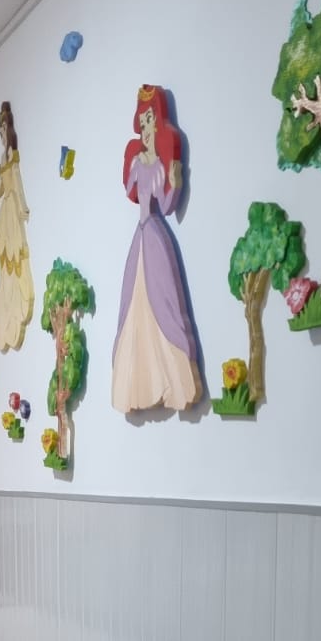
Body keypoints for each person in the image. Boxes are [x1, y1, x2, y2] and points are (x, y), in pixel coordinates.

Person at [111, 85, 201, 413]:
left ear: (157, 121)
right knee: (132, 304)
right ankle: (135, 386)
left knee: (163, 300)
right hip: (141, 235)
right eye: (143, 122)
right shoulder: (139, 161)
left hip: (154, 235)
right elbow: (130, 190)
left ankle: (173, 380)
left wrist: (174, 178)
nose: (147, 127)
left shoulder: (159, 165)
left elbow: (165, 203)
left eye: (150, 120)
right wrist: (132, 163)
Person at [0, 102, 34, 352]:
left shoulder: (12, 155)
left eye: (4, 129)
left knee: (14, 257)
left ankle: (18, 300)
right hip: (4, 207)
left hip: (12, 206)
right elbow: (1, 186)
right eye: (0, 131)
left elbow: (15, 180)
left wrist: (23, 206)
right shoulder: (3, 158)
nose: (3, 135)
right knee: (4, 262)